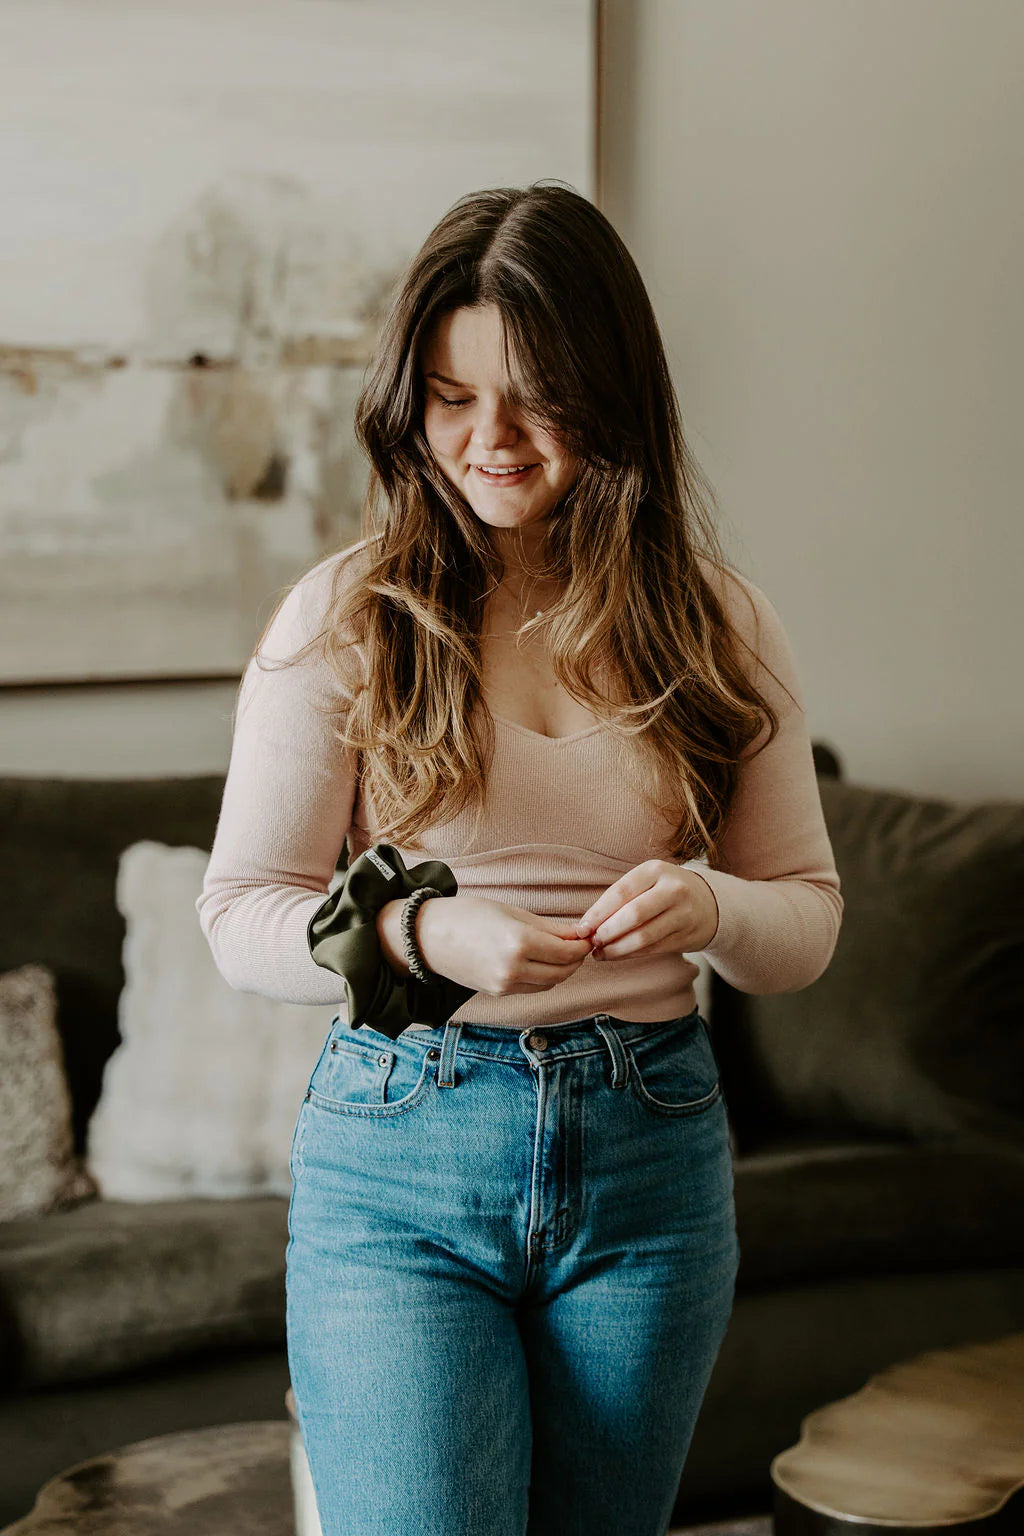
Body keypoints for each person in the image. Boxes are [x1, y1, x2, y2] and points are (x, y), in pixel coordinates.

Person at [197, 180, 843, 1536]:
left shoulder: (720, 625)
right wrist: (419, 934)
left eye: (536, 399)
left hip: (652, 1158)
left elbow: (804, 921)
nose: (489, 440)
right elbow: (239, 912)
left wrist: (709, 904)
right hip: (403, 1156)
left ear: (613, 397)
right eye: (451, 397)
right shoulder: (348, 615)